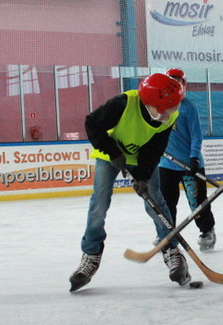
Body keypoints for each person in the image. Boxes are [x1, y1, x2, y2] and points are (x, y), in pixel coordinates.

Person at [70, 73, 190, 292]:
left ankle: (172, 251)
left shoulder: (169, 115)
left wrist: (143, 176)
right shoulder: (122, 104)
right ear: (152, 104)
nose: (170, 114)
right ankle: (91, 254)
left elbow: (154, 149)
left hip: (141, 159)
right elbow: (92, 124)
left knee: (156, 203)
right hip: (110, 156)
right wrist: (114, 153)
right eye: (166, 110)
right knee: (99, 203)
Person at [157, 68, 216, 251]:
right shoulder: (158, 106)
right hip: (166, 164)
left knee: (197, 202)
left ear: (184, 85)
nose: (175, 86)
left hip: (190, 164)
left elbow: (196, 136)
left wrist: (194, 159)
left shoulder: (188, 107)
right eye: (171, 82)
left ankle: (207, 231)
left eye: (178, 82)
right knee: (166, 203)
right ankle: (167, 234)